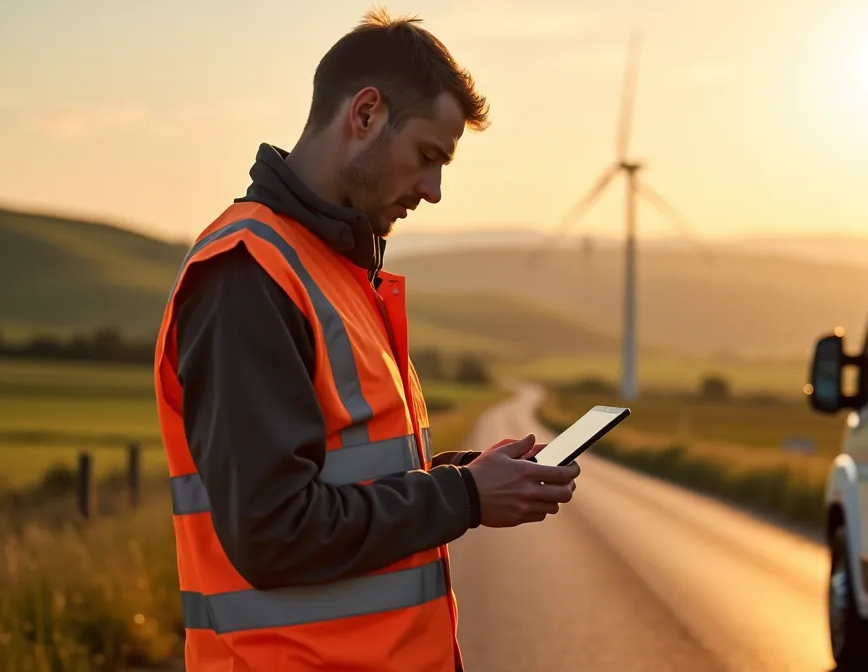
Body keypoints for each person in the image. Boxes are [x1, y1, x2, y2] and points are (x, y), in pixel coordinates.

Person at [151, 8, 581, 671]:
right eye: (428, 158)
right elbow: (274, 533)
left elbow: (349, 481)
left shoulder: (337, 270)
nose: (434, 191)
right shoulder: (248, 275)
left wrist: (468, 477)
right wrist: (463, 499)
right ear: (366, 115)